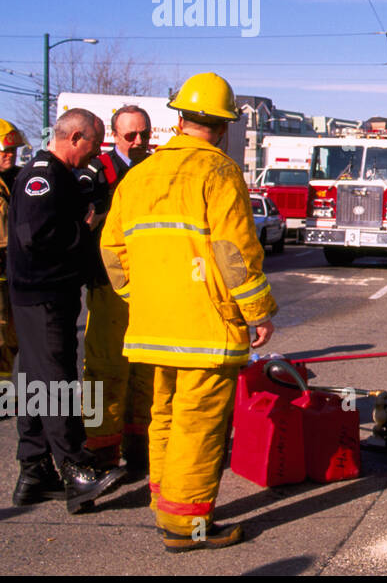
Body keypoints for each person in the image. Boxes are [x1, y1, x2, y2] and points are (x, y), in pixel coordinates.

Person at [101, 73, 276, 552]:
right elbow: (234, 251)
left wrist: (140, 294)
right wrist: (257, 312)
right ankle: (186, 525)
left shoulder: (138, 174)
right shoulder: (219, 172)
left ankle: (166, 500)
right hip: (206, 326)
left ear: (179, 118)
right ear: (223, 126)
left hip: (155, 324)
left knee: (165, 413)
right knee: (199, 422)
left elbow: (112, 249)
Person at [8, 109, 127, 512]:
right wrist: (86, 227)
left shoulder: (57, 175)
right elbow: (36, 233)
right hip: (43, 295)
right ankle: (76, 467)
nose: (94, 156)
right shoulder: (44, 175)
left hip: (40, 295)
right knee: (57, 381)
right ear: (74, 137)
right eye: (92, 146)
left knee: (34, 380)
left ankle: (36, 467)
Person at [81, 106, 154, 475]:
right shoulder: (98, 172)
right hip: (108, 283)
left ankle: (139, 447)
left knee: (145, 370)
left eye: (144, 133)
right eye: (130, 135)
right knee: (104, 369)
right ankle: (100, 453)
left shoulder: (157, 171)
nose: (139, 141)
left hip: (150, 286)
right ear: (115, 136)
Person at [0, 119, 27, 383]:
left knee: (12, 337)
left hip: (15, 270)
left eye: (13, 151)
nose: (10, 155)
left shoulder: (21, 179)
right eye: (4, 151)